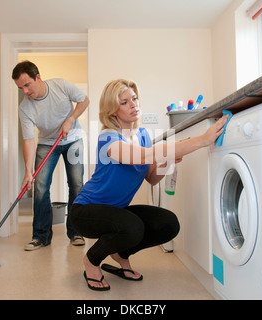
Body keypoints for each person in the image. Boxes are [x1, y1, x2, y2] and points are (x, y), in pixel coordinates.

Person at [70, 79, 230, 291]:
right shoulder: (108, 139)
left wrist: (168, 164)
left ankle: (120, 253)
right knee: (132, 227)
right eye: (124, 102)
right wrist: (202, 140)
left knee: (168, 223)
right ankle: (91, 261)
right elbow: (144, 156)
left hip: (116, 212)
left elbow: (151, 178)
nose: (134, 104)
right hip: (85, 211)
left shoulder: (144, 136)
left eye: (134, 99)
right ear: (113, 111)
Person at [12, 60, 90, 250]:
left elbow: (84, 100)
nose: (24, 91)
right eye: (20, 88)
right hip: (47, 143)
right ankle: (41, 236)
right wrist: (28, 172)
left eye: (27, 85)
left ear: (37, 77)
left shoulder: (60, 86)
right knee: (40, 186)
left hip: (73, 139)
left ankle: (76, 231)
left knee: (76, 184)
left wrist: (71, 119)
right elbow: (29, 140)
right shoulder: (25, 107)